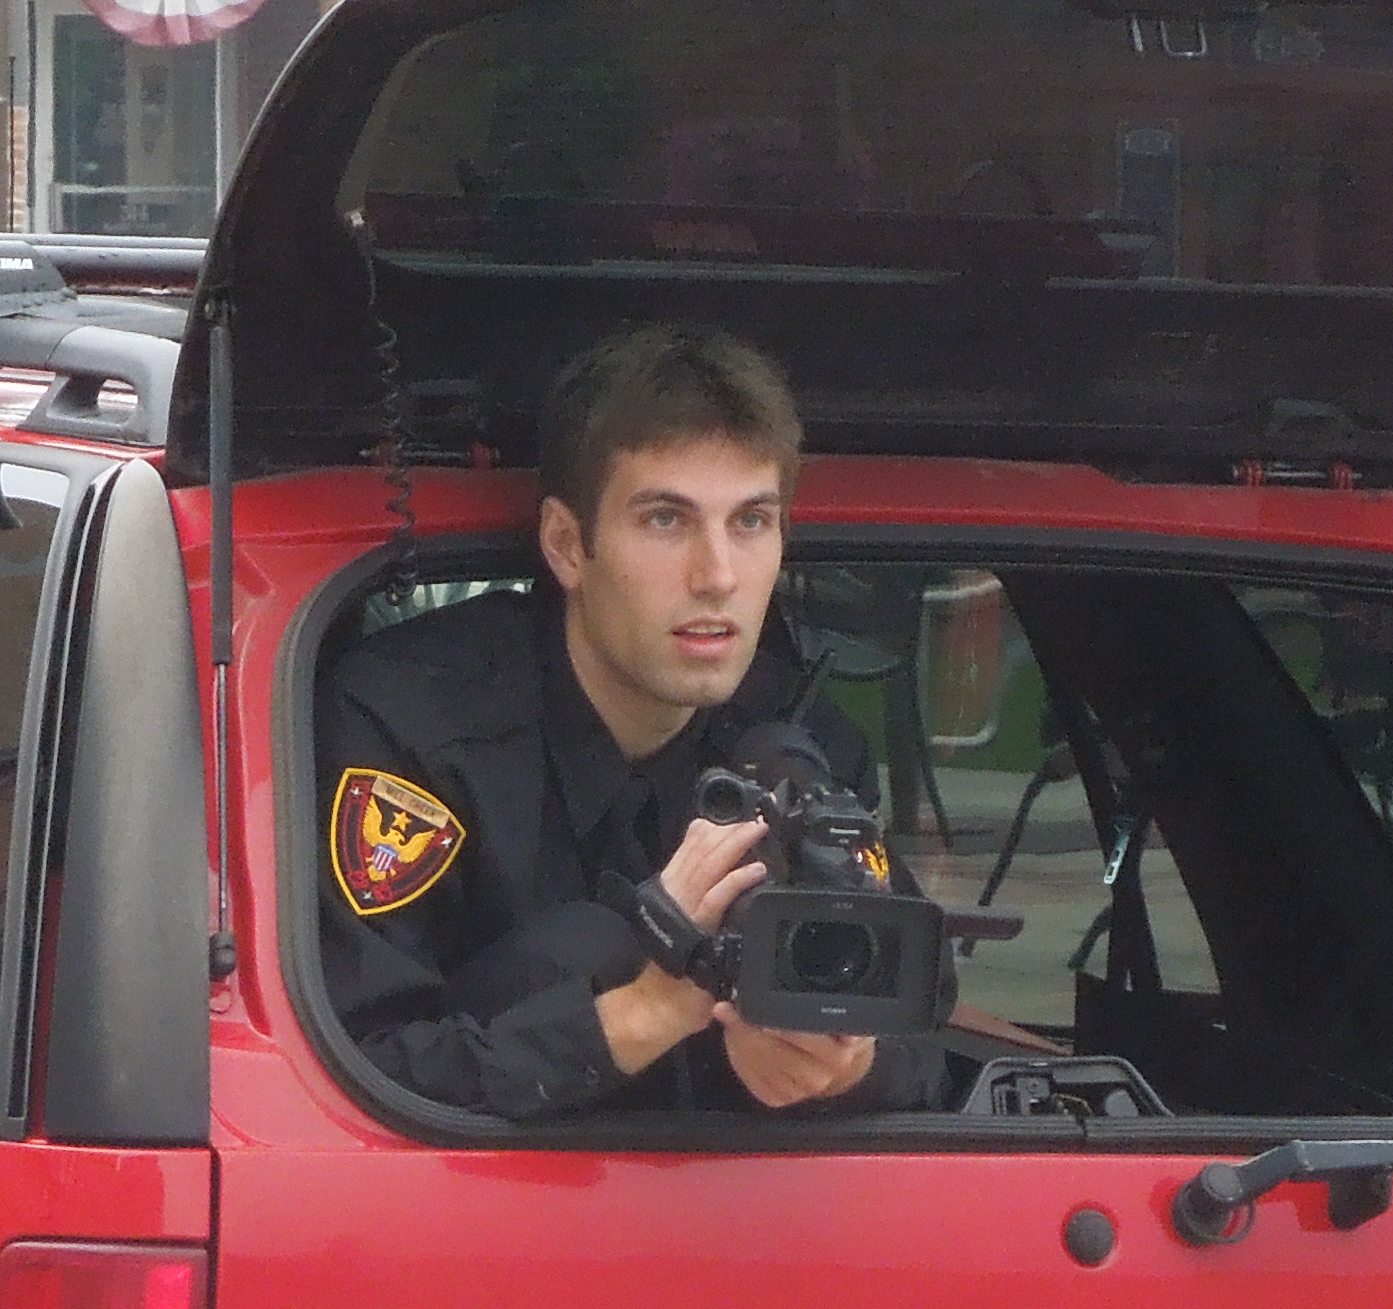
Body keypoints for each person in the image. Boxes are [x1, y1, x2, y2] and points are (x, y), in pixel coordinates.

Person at [315, 320, 947, 1122]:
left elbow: (925, 1029)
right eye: (665, 520)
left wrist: (833, 1066)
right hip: (473, 1228)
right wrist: (643, 1004)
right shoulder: (417, 731)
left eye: (750, 522)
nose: (717, 576)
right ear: (568, 545)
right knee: (579, 949)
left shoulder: (801, 748)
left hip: (747, 1226)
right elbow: (352, 1077)